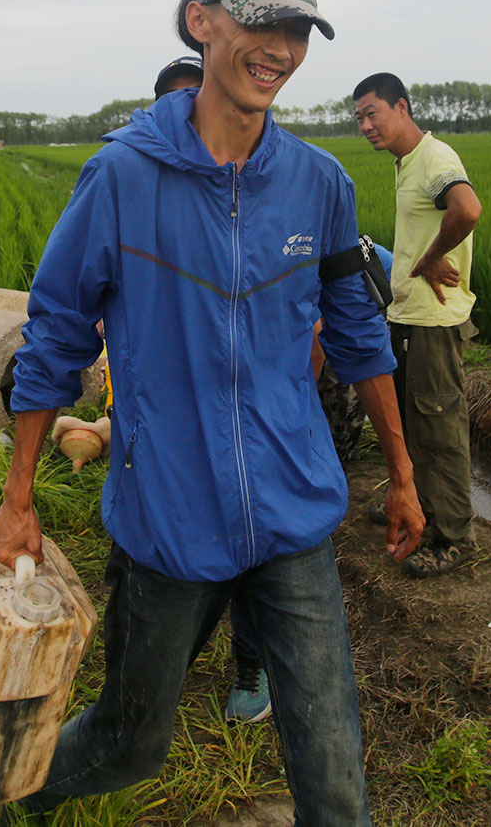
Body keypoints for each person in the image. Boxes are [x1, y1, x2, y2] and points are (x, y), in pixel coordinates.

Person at [0, 0, 424, 826]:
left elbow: (357, 335)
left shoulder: (318, 184)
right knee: (127, 741)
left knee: (336, 779)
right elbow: (56, 338)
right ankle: (20, 798)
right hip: (169, 518)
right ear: (202, 21)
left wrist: (405, 475)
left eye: (297, 28)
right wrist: (19, 493)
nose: (280, 47)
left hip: (291, 513)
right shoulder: (121, 177)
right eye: (262, 21)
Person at [143, 51, 275, 723]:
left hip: (253, 426)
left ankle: (251, 663)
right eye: (182, 102)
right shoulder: (140, 185)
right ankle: (154, 670)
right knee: (170, 561)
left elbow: (306, 316)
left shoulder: (274, 187)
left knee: (252, 558)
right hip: (168, 429)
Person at [351, 72, 483, 579]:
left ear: (401, 107)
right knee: (409, 422)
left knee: (438, 427)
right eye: (359, 117)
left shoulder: (435, 158)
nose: (366, 125)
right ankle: (413, 505)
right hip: (406, 315)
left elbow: (467, 209)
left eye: (372, 113)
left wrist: (431, 259)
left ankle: (454, 536)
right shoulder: (408, 164)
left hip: (432, 320)